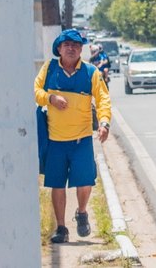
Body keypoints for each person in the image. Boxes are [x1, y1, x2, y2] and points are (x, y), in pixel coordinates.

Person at [34, 29, 111, 243]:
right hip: (55, 141)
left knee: (85, 181)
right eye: (66, 44)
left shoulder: (90, 72)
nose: (71, 48)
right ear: (59, 48)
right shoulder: (49, 69)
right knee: (57, 185)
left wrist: (104, 123)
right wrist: (50, 98)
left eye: (76, 45)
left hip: (81, 140)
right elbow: (35, 91)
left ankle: (82, 212)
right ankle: (61, 228)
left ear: (81, 49)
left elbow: (103, 98)